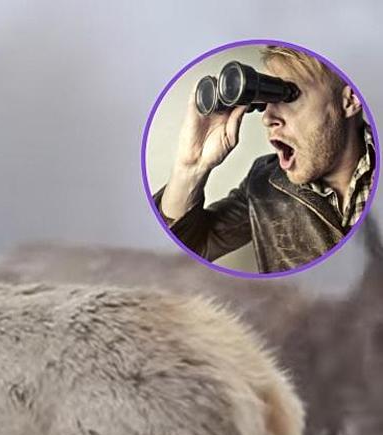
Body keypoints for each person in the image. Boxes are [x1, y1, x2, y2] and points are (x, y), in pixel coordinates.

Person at [155, 45, 376, 273]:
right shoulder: (263, 182)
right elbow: (191, 249)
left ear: (350, 100)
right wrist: (190, 167)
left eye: (289, 95)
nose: (267, 118)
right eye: (265, 101)